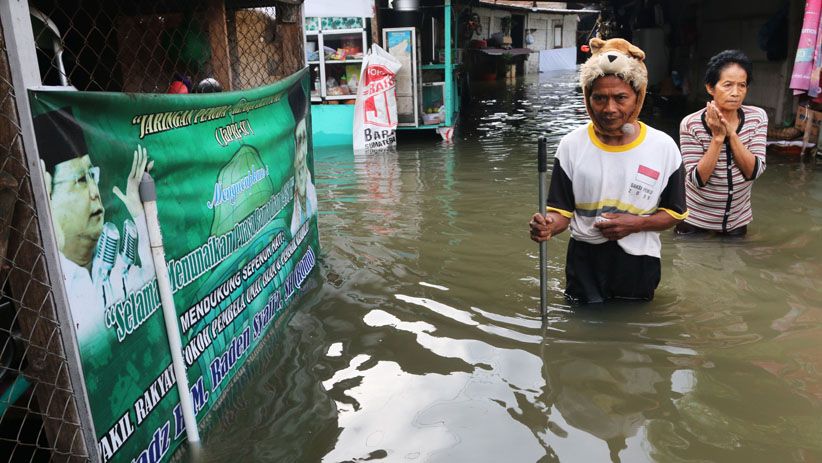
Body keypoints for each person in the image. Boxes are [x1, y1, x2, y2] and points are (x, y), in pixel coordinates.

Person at [528, 38, 688, 304]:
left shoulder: (663, 147)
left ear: (638, 97)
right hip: (584, 262)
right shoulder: (571, 145)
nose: (609, 109)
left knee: (634, 322)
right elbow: (561, 213)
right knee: (581, 321)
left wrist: (636, 224)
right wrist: (547, 226)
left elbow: (675, 212)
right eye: (599, 98)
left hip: (640, 262)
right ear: (587, 98)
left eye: (620, 98)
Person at [34, 107, 154, 343]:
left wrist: (139, 214)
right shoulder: (49, 287)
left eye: (93, 175)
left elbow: (159, 288)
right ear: (47, 194)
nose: (94, 192)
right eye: (81, 179)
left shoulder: (116, 266)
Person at [677, 50, 767, 237]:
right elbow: (697, 180)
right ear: (710, 88)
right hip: (695, 220)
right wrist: (718, 138)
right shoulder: (691, 124)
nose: (736, 93)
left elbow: (754, 171)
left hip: (736, 220)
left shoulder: (757, 118)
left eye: (742, 85)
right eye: (728, 85)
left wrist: (731, 134)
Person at [288, 84, 317, 237]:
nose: (301, 155)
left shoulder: (309, 186)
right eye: (298, 141)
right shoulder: (291, 216)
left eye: (304, 140)